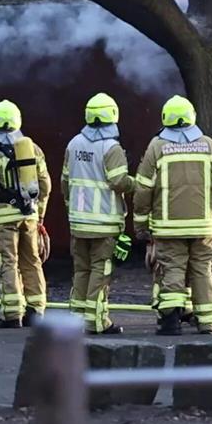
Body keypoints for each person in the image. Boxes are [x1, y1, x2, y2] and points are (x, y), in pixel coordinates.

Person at [134, 95, 212, 336]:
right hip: (204, 224)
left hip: (169, 226)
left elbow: (143, 188)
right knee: (202, 270)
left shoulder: (157, 147)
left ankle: (171, 321)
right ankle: (209, 323)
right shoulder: (209, 146)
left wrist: (140, 224)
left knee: (173, 268)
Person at [0, 100, 51, 328]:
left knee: (8, 262)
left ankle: (11, 315)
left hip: (3, 219)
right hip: (30, 215)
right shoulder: (33, 149)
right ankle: (36, 311)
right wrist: (40, 215)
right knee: (32, 262)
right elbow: (45, 184)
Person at [62, 93, 135, 335]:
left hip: (78, 222)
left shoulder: (73, 143)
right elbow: (118, 181)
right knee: (100, 271)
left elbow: (64, 181)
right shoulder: (111, 147)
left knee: (81, 269)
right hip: (104, 223)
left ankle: (76, 320)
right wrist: (137, 184)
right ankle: (96, 321)